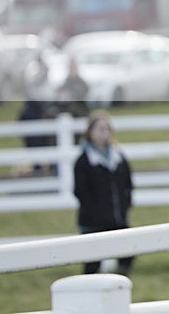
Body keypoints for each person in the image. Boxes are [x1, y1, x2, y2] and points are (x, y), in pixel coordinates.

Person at [73, 110, 134, 275]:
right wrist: (97, 211)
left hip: (117, 218)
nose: (103, 133)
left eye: (106, 129)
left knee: (128, 252)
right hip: (93, 221)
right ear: (90, 132)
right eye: (99, 129)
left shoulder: (118, 157)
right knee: (92, 263)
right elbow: (80, 191)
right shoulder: (84, 161)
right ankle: (88, 288)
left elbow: (128, 184)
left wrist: (124, 206)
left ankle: (119, 281)